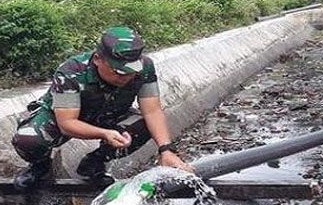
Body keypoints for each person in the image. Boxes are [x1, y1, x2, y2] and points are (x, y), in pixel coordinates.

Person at [12, 26, 192, 191]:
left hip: (109, 115)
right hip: (64, 117)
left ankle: (94, 163)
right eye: (119, 72)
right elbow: (67, 123)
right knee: (28, 139)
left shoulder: (145, 67)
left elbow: (152, 110)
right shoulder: (71, 71)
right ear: (98, 59)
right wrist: (104, 134)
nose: (126, 77)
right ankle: (40, 166)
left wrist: (166, 150)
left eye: (132, 72)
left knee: (146, 125)